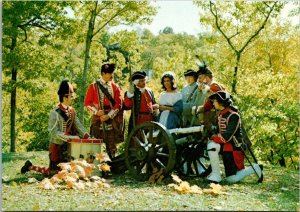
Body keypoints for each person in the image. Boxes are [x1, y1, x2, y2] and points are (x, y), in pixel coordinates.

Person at [21, 80, 90, 175]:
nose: (73, 98)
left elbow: (79, 126)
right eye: (71, 96)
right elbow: (54, 132)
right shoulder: (55, 113)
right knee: (54, 173)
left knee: (69, 171)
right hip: (57, 147)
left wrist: (88, 137)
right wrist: (71, 137)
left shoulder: (72, 111)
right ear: (65, 97)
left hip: (69, 147)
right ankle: (30, 166)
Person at [206, 90, 263, 183]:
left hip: (233, 148)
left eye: (215, 101)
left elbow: (227, 136)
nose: (213, 103)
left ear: (221, 102)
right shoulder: (220, 114)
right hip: (224, 146)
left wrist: (213, 137)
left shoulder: (234, 115)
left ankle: (256, 168)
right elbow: (218, 130)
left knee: (231, 179)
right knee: (211, 146)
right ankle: (216, 175)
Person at [84, 63, 124, 158]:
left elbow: (119, 104)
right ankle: (95, 163)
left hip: (111, 117)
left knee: (112, 143)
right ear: (103, 73)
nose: (112, 75)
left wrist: (108, 115)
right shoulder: (93, 86)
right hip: (98, 118)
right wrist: (96, 112)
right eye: (109, 73)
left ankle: (112, 162)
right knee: (95, 142)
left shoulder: (115, 87)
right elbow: (87, 103)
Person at [124, 70, 159, 135]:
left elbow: (153, 102)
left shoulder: (149, 91)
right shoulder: (131, 92)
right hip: (138, 120)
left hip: (150, 119)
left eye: (144, 80)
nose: (144, 82)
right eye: (141, 81)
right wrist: (129, 94)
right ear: (136, 82)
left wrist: (155, 107)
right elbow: (127, 106)